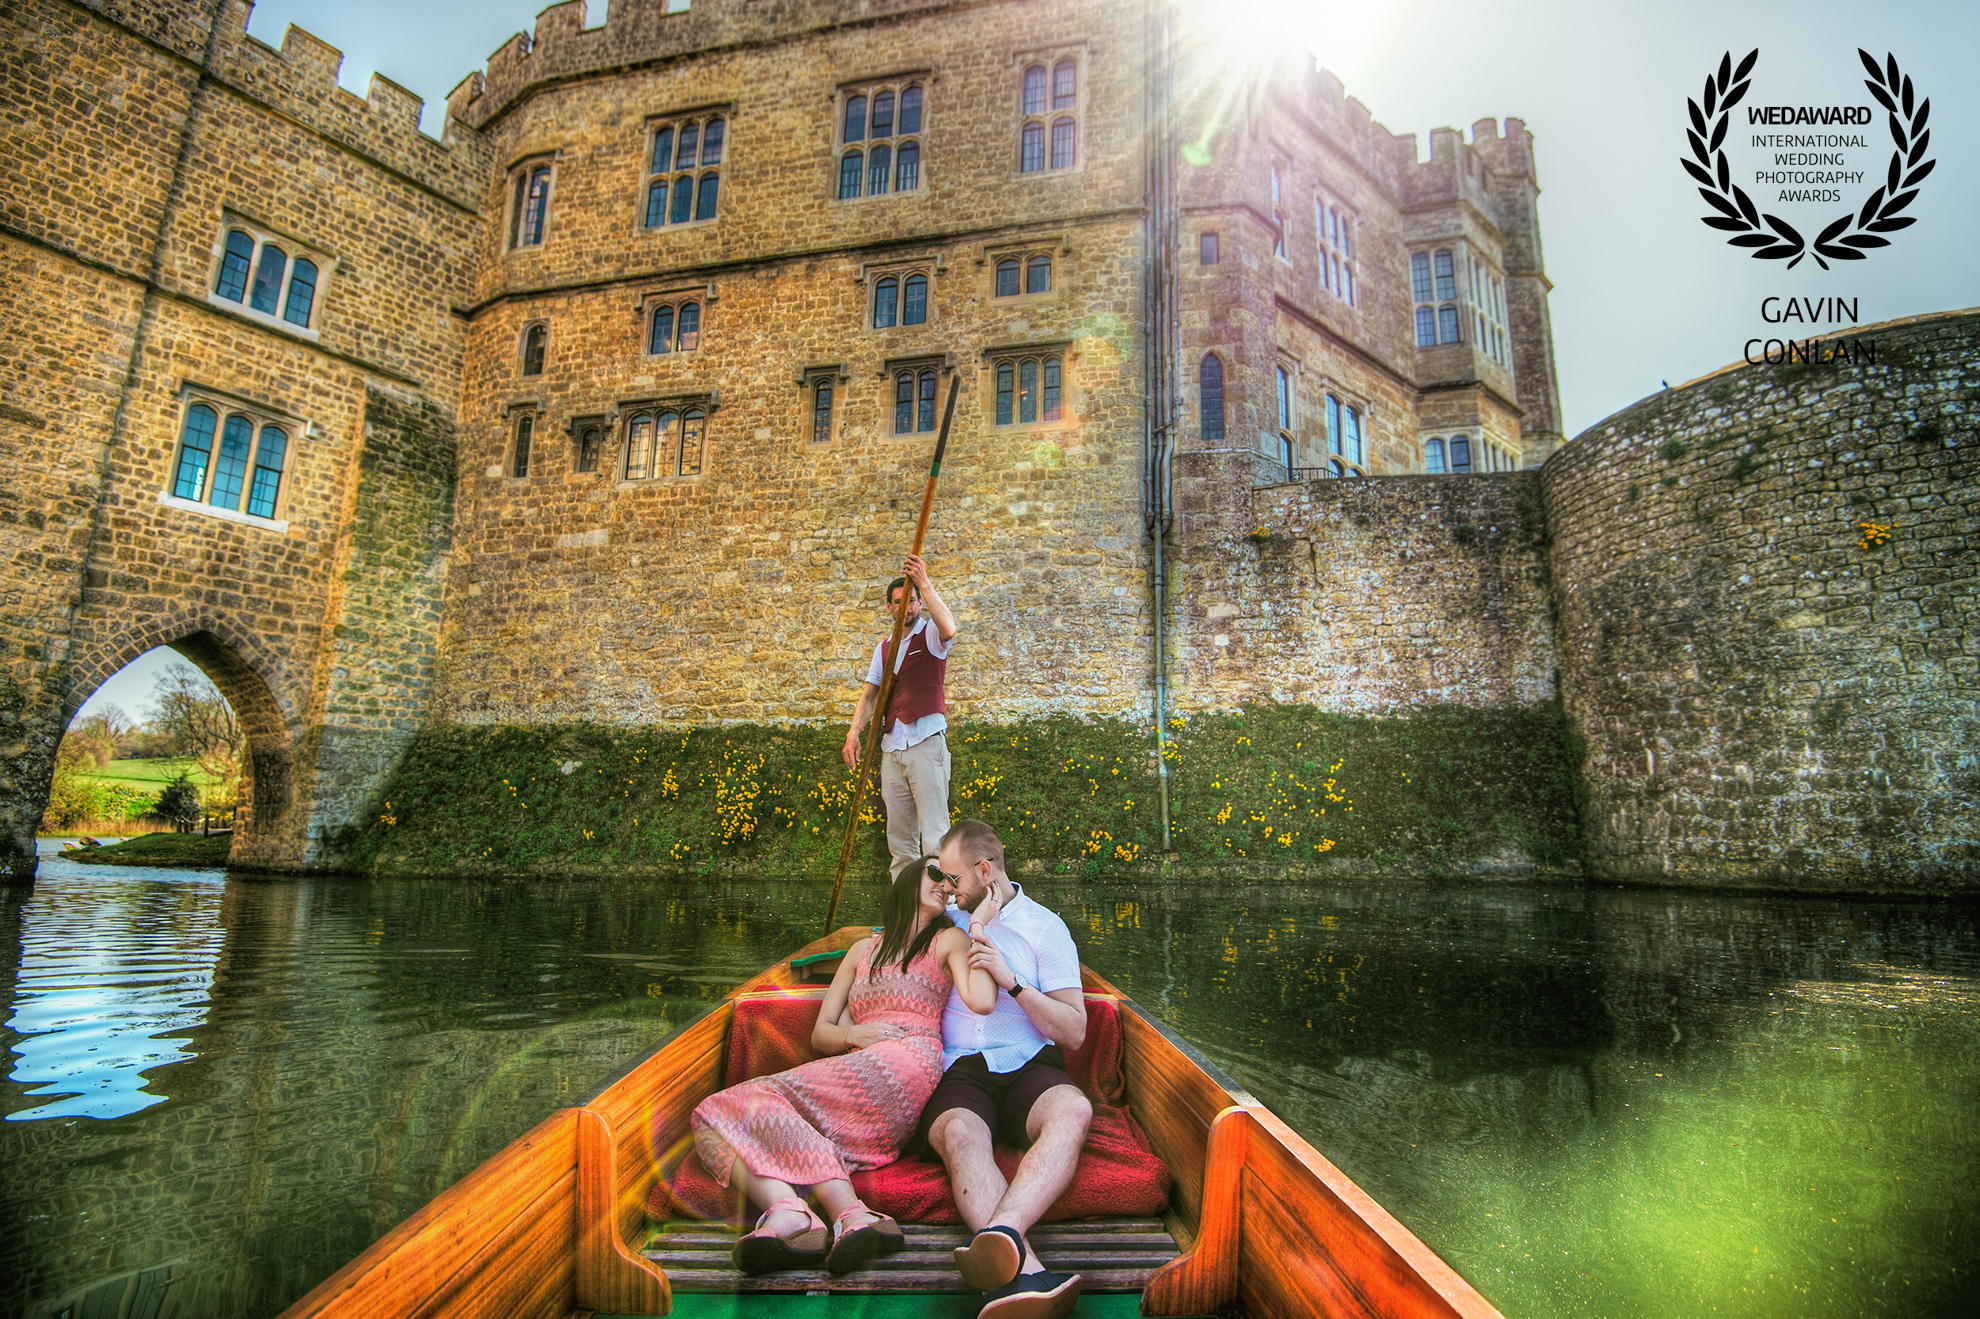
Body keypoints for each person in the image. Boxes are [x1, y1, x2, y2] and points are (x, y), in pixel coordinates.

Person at [689, 860, 996, 1275]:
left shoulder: (948, 940)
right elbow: (822, 1035)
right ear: (906, 881)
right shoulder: (861, 951)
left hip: (907, 1060)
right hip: (857, 1058)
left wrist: (978, 924)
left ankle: (846, 1212)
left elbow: (980, 997)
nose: (945, 885)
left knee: (748, 1103)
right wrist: (856, 1036)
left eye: (950, 880)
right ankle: (790, 1211)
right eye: (935, 874)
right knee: (710, 1116)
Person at [918, 818, 1092, 1319]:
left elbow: (1075, 1031)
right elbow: (891, 942)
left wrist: (1014, 984)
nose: (946, 890)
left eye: (953, 879)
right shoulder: (946, 920)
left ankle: (1004, 1233)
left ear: (985, 870)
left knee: (1074, 1110)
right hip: (961, 1069)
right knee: (957, 1135)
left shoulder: (1046, 928)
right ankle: (1027, 1273)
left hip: (1030, 1063)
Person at [844, 554, 958, 885]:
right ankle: (904, 916)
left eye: (911, 600)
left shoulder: (932, 637)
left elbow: (949, 627)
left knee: (936, 836)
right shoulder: (884, 649)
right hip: (892, 748)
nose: (905, 607)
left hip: (925, 744)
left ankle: (941, 912)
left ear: (919, 603)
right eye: (898, 602)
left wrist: (923, 581)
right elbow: (869, 696)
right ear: (889, 608)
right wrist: (853, 735)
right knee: (900, 842)